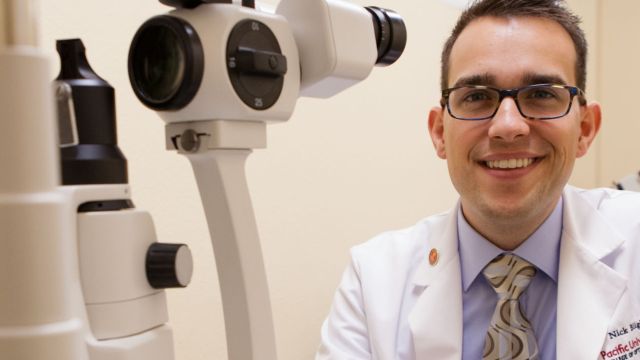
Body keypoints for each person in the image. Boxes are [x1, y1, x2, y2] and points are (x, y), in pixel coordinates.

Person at [316, 0, 640, 359]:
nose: (507, 126)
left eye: (542, 94)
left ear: (584, 128)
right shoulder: (372, 280)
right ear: (440, 132)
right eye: (476, 97)